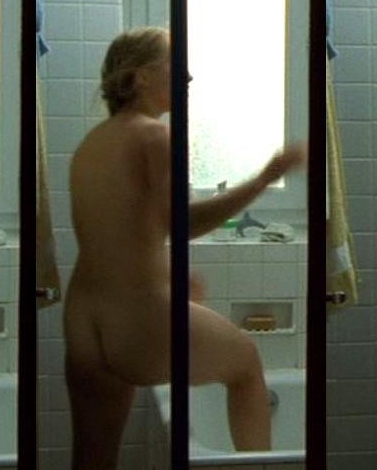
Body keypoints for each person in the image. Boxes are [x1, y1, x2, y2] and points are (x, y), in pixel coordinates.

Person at [64, 26, 306, 469]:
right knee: (246, 365)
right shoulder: (155, 136)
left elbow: (125, 234)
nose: (188, 77)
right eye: (176, 65)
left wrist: (173, 282)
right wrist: (264, 179)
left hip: (84, 317)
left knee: (93, 460)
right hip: (136, 315)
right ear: (141, 77)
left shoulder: (90, 145)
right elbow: (182, 224)